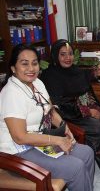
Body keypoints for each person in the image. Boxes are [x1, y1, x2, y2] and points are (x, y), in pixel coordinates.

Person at [0, 44, 94, 191]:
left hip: (39, 141)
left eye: (34, 63)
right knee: (75, 167)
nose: (31, 68)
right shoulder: (11, 93)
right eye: (24, 63)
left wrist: (65, 127)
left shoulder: (37, 83)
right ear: (13, 68)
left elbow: (49, 111)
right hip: (18, 152)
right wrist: (58, 140)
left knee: (86, 153)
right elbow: (20, 137)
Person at [40, 39, 100, 176]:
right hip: (68, 115)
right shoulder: (50, 76)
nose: (68, 58)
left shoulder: (72, 70)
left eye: (70, 54)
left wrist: (95, 73)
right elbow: (58, 105)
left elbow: (80, 76)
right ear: (55, 56)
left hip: (82, 108)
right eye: (63, 54)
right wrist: (87, 111)